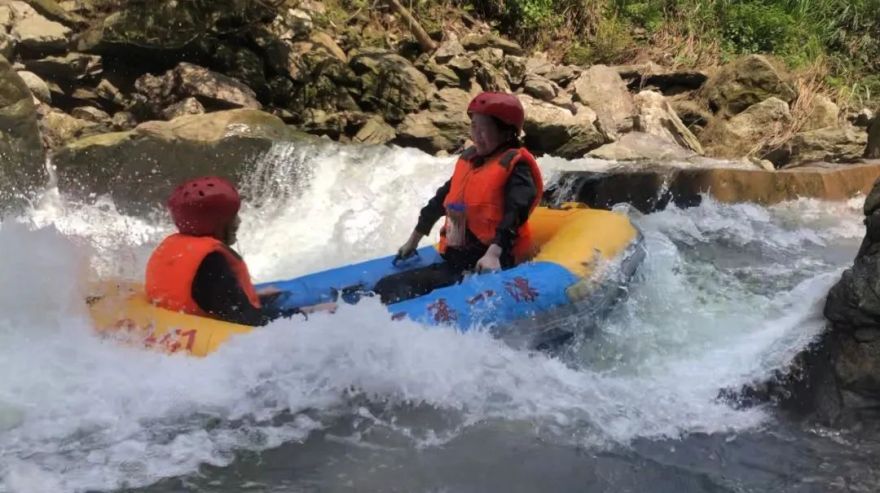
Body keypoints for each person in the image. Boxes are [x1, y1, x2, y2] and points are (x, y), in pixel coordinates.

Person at [374, 92, 544, 304]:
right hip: (458, 257)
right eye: (473, 127)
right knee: (385, 286)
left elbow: (516, 211)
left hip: (490, 260)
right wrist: (413, 240)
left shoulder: (517, 167)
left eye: (484, 129)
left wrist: (494, 253)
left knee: (390, 288)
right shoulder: (472, 161)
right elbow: (439, 201)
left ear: (506, 132)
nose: (476, 135)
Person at [145, 176, 334, 326]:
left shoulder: (172, 246)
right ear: (218, 223)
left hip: (171, 325)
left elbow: (207, 295)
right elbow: (248, 321)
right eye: (234, 217)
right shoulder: (211, 261)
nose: (239, 222)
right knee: (330, 310)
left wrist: (254, 297)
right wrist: (306, 313)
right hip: (209, 340)